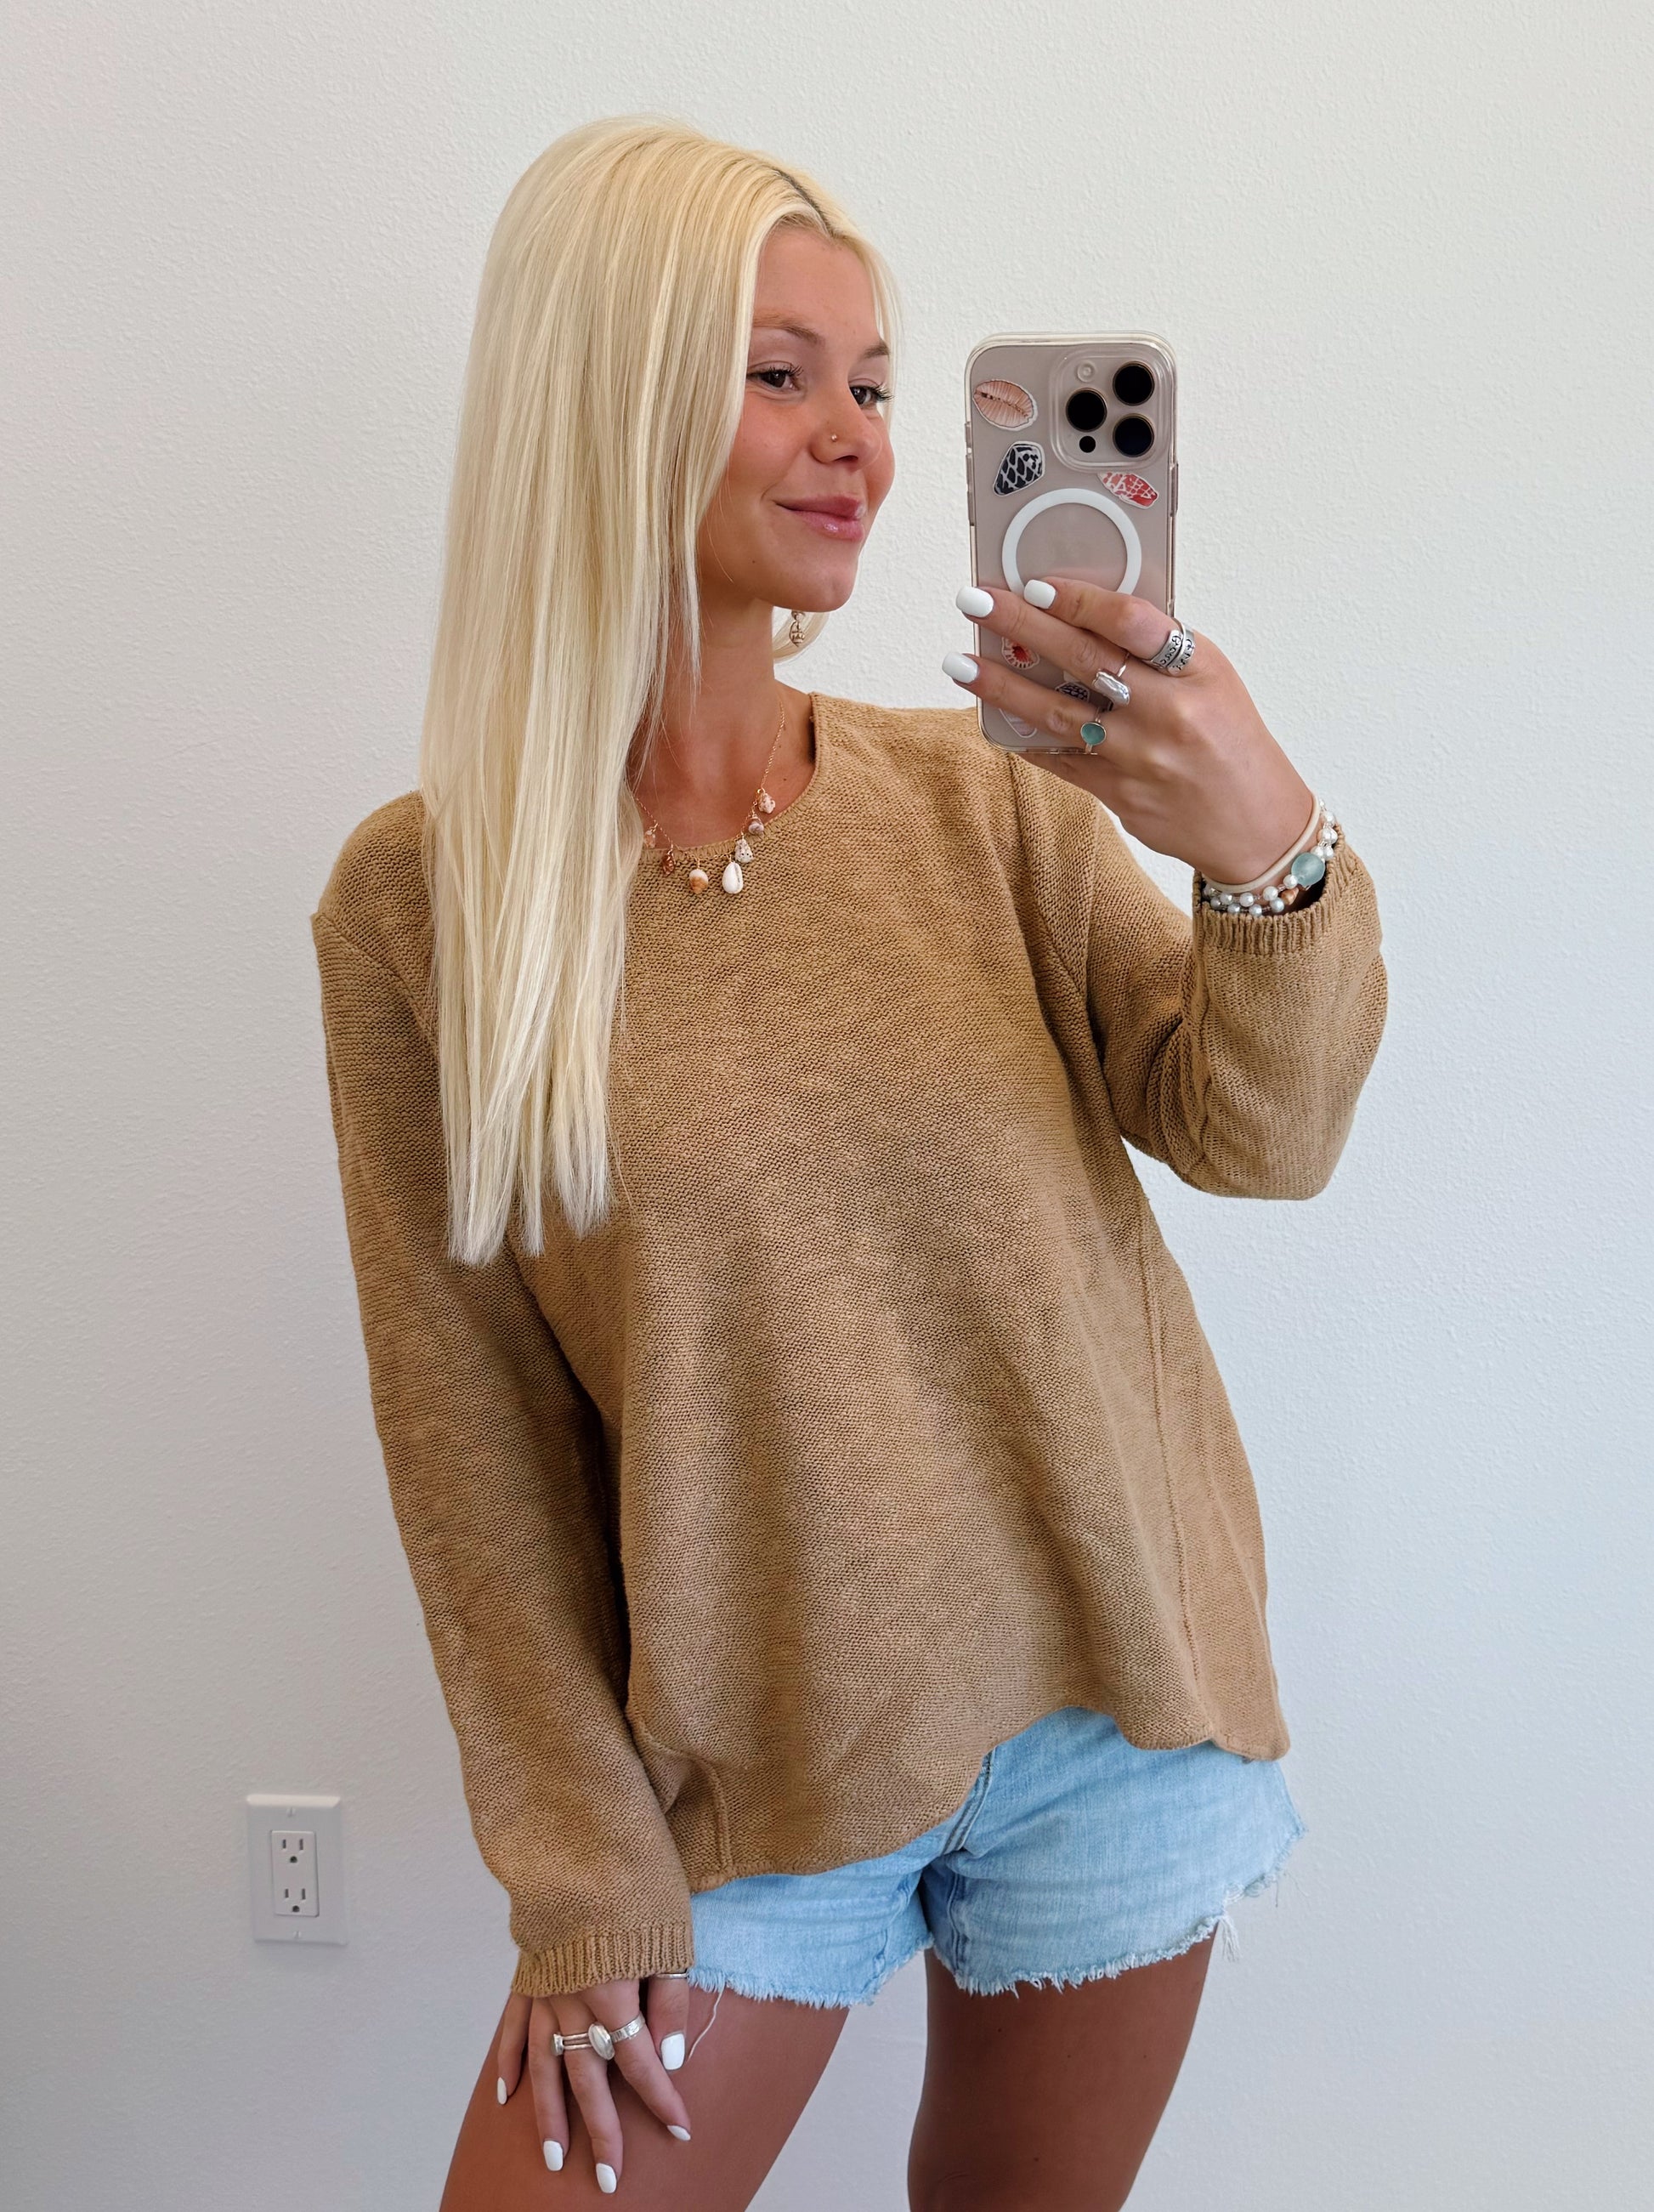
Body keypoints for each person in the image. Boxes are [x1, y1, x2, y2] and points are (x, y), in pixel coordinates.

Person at [309, 115, 1386, 2210]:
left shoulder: (989, 806)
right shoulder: (427, 905)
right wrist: (581, 1876)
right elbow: (471, 1445)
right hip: (747, 1775)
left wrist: (1263, 845)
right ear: (609, 389)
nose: (860, 444)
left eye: (878, 385)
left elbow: (1265, 1138)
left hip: (1111, 1715)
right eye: (780, 373)